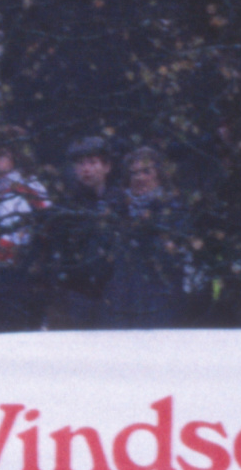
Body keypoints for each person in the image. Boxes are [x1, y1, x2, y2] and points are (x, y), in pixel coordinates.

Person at [103, 145, 193, 327]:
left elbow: (174, 254)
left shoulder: (174, 208)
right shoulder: (115, 208)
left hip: (162, 297)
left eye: (146, 172)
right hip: (121, 299)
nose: (140, 178)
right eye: (134, 173)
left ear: (159, 174)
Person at [39, 135, 119, 328]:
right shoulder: (66, 207)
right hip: (76, 296)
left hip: (115, 295)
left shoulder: (119, 202)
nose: (86, 169)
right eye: (81, 164)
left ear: (106, 166)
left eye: (92, 162)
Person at [0, 130, 50, 331]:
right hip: (5, 275)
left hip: (22, 277)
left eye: (0, 155)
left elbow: (33, 234)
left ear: (16, 155)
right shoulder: (1, 187)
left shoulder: (27, 187)